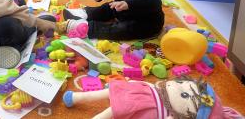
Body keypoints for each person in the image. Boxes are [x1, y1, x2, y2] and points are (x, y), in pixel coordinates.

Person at [63, 76, 242, 118]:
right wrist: (131, 81)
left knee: (112, 110)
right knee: (108, 92)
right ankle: (77, 97)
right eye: (182, 82)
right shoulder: (163, 89)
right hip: (138, 90)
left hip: (137, 105)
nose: (174, 84)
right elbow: (152, 85)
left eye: (184, 93)